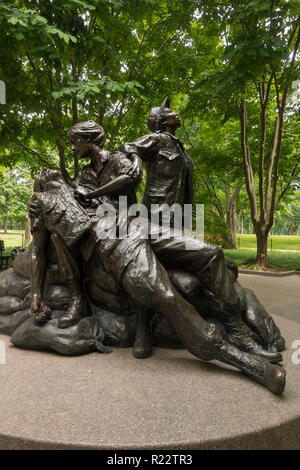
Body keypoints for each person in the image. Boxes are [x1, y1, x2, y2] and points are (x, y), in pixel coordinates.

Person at [28, 121, 286, 395]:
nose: (48, 170)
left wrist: (117, 175)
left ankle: (237, 330)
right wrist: (38, 296)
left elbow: (131, 176)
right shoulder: (47, 201)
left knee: (210, 253)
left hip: (140, 222)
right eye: (43, 174)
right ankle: (249, 365)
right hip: (115, 238)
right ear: (42, 186)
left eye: (74, 141)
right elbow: (41, 249)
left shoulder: (94, 175)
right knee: (167, 296)